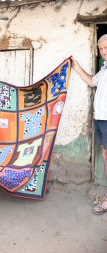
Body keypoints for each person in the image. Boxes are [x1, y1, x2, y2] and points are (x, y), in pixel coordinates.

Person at [71, 34, 107, 215]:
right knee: (105, 155)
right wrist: (75, 65)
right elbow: (92, 81)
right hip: (101, 119)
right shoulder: (104, 69)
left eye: (106, 48)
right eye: (101, 49)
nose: (103, 52)